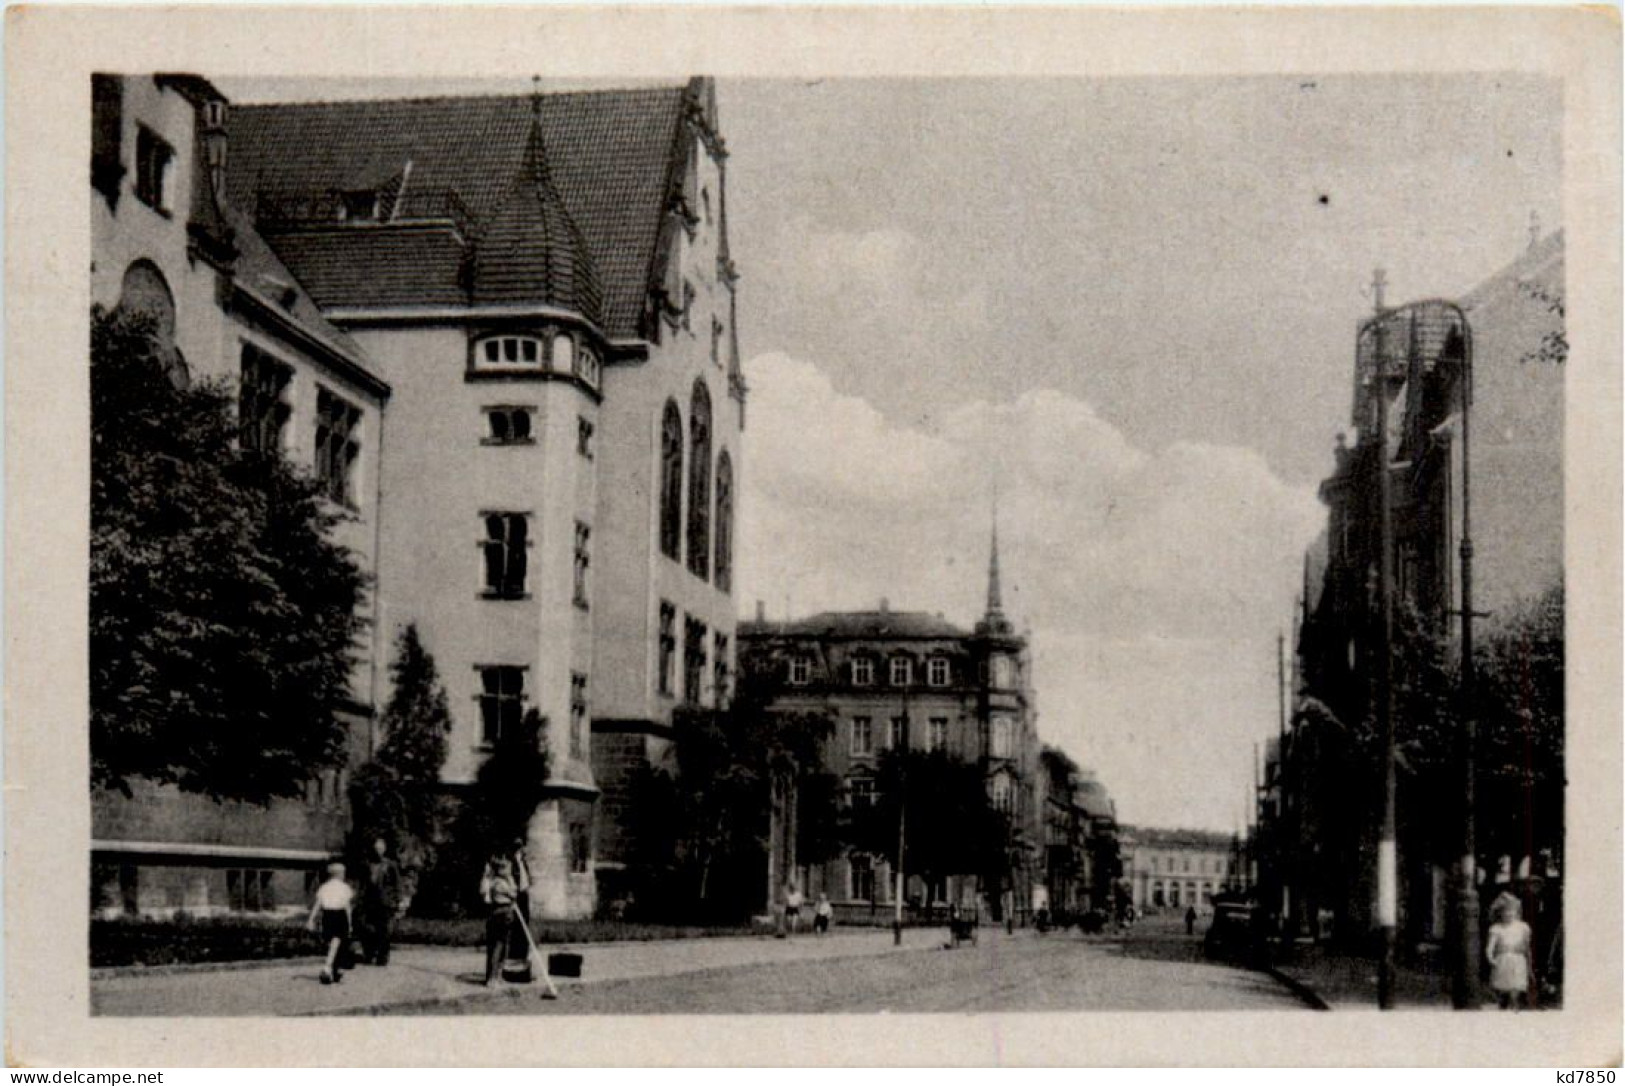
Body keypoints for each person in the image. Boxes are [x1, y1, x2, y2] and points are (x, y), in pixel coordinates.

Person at [307, 861, 354, 985]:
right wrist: (350, 923)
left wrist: (311, 919)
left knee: (332, 942)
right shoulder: (344, 887)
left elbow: (318, 904)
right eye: (343, 873)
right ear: (339, 874)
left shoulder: (324, 887)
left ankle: (335, 969)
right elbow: (347, 906)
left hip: (327, 915)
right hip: (340, 915)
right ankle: (328, 968)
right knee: (338, 941)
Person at [1486, 894, 1535, 1010]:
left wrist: (1529, 965)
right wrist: (1490, 957)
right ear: (1500, 913)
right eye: (1506, 911)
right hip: (1503, 961)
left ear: (1517, 911)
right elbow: (1490, 946)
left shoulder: (1523, 927)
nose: (1509, 914)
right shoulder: (1496, 929)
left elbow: (1527, 948)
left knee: (1516, 990)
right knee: (1503, 992)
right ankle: (1503, 1008)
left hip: (1518, 961)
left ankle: (1514, 1010)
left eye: (1512, 911)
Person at [480, 855, 520, 987]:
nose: (510, 871)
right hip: (502, 913)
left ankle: (497, 975)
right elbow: (514, 893)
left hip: (503, 913)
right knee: (498, 945)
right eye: (508, 869)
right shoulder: (499, 883)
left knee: (503, 946)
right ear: (501, 870)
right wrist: (510, 879)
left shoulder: (497, 882)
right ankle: (492, 977)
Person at [362, 837, 401, 966]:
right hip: (370, 901)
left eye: (380, 848)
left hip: (385, 902)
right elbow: (364, 884)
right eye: (376, 848)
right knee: (368, 929)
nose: (377, 851)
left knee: (383, 931)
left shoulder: (390, 865)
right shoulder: (368, 864)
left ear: (384, 849)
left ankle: (382, 956)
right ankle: (369, 953)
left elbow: (397, 884)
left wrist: (397, 901)